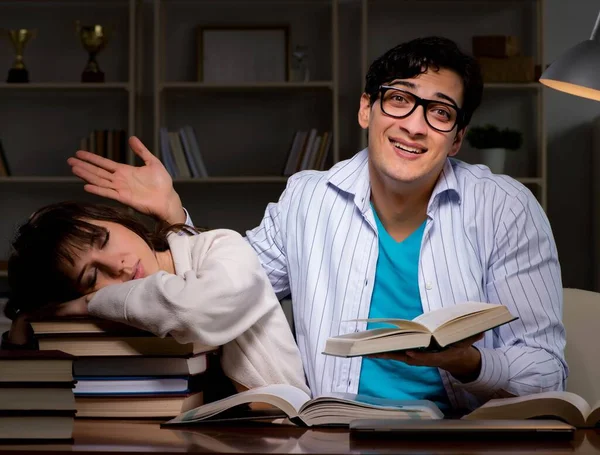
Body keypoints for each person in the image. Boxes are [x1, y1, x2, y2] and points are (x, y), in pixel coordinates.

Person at [66, 36, 566, 412]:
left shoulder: (506, 208)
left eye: (440, 113)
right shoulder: (308, 197)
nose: (415, 124)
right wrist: (175, 215)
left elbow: (548, 375)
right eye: (399, 99)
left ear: (456, 139)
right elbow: (231, 285)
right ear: (367, 109)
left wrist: (471, 363)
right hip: (327, 434)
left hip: (464, 436)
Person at [3, 201, 309, 397]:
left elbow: (194, 310)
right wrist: (23, 329)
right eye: (92, 278)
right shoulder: (109, 323)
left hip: (286, 435)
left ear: (116, 220)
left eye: (104, 240)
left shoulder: (221, 245)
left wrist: (89, 302)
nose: (118, 265)